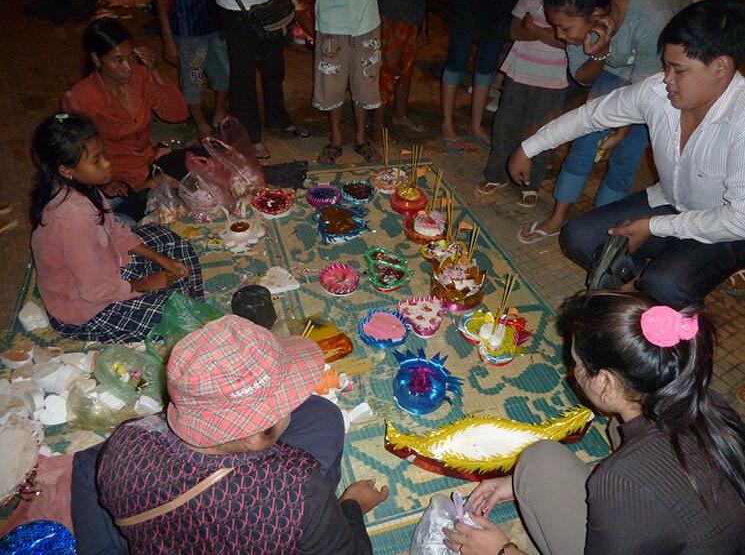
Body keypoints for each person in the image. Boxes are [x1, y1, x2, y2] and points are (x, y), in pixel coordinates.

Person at [443, 291, 745, 555]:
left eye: (576, 364)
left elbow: (641, 484)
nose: (572, 373)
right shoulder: (709, 403)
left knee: (539, 461)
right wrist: (515, 483)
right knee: (615, 428)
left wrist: (500, 550)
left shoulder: (620, 479)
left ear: (605, 382)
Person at [509, 0, 745, 308]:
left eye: (678, 69)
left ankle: (663, 287)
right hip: (671, 201)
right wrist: (530, 147)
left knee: (665, 285)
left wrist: (653, 226)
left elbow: (738, 219)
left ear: (721, 68)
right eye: (665, 66)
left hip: (727, 227)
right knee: (578, 237)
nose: (666, 79)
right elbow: (591, 116)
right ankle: (637, 284)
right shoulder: (657, 93)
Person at [89, 315, 388, 554]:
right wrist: (351, 506)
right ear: (258, 438)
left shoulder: (127, 439)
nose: (297, 399)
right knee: (324, 421)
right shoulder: (298, 488)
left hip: (175, 525)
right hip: (265, 511)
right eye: (287, 398)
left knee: (320, 414)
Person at [516, 0, 680, 244]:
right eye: (556, 27)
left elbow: (640, 94)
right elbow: (582, 77)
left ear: (595, 15)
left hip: (655, 80)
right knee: (583, 145)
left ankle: (600, 227)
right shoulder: (578, 21)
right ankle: (557, 219)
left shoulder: (651, 17)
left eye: (565, 28)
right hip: (613, 72)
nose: (559, 35)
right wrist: (600, 54)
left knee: (626, 158)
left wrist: (622, 130)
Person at [30, 114, 203, 343]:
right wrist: (144, 285)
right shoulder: (71, 219)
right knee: (173, 317)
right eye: (96, 160)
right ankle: (185, 299)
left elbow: (115, 231)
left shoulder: (84, 187)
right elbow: (94, 291)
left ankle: (183, 295)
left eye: (103, 154)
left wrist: (162, 260)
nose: (107, 164)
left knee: (164, 237)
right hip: (86, 307)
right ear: (65, 170)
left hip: (106, 265)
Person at [61, 18, 190, 221]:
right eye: (118, 60)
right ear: (97, 60)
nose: (128, 67)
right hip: (117, 179)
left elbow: (178, 114)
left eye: (131, 57)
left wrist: (155, 70)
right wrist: (104, 183)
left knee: (205, 160)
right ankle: (150, 190)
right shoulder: (80, 98)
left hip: (151, 162)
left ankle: (151, 188)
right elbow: (75, 155)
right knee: (124, 219)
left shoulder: (140, 75)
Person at [475, 0, 569, 208]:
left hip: (553, 79)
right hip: (518, 72)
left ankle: (530, 184)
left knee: (542, 132)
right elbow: (515, 31)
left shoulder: (569, 1)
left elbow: (566, 42)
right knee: (505, 126)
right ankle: (496, 174)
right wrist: (544, 33)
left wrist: (533, 29)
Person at [217, 0, 310, 162]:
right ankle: (249, 136)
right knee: (243, 75)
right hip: (237, 10)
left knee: (274, 66)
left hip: (272, 5)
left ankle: (277, 118)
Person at [439, 0, 516, 154]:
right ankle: (446, 124)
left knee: (488, 62)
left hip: (500, 6)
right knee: (457, 58)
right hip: (467, 4)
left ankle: (475, 125)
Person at [313, 0, 383, 165]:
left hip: (367, 19)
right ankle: (336, 139)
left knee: (365, 80)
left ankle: (361, 138)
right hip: (332, 20)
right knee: (331, 82)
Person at [155, 0, 230, 137]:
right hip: (189, 32)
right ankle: (199, 120)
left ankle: (220, 111)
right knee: (194, 79)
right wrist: (168, 40)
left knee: (223, 72)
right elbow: (161, 3)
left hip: (216, 27)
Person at [371, 0, 427, 135]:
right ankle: (377, 124)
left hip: (413, 15)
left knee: (406, 70)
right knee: (387, 71)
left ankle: (400, 115)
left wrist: (423, 19)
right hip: (390, 14)